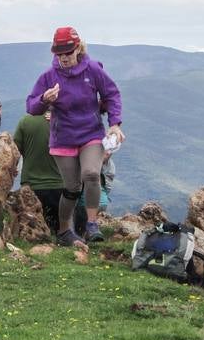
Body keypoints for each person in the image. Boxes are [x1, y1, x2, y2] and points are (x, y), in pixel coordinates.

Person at [25, 26, 124, 245]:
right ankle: (64, 232)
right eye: (59, 54)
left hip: (91, 133)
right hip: (63, 137)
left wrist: (115, 124)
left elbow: (112, 94)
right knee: (71, 187)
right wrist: (44, 99)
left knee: (90, 174)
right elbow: (31, 107)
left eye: (67, 53)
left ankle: (91, 224)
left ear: (78, 48)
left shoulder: (93, 70)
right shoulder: (49, 77)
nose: (64, 58)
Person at [12, 110, 87, 236]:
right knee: (62, 232)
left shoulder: (26, 122)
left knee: (34, 233)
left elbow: (14, 151)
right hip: (62, 188)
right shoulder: (70, 123)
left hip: (31, 188)